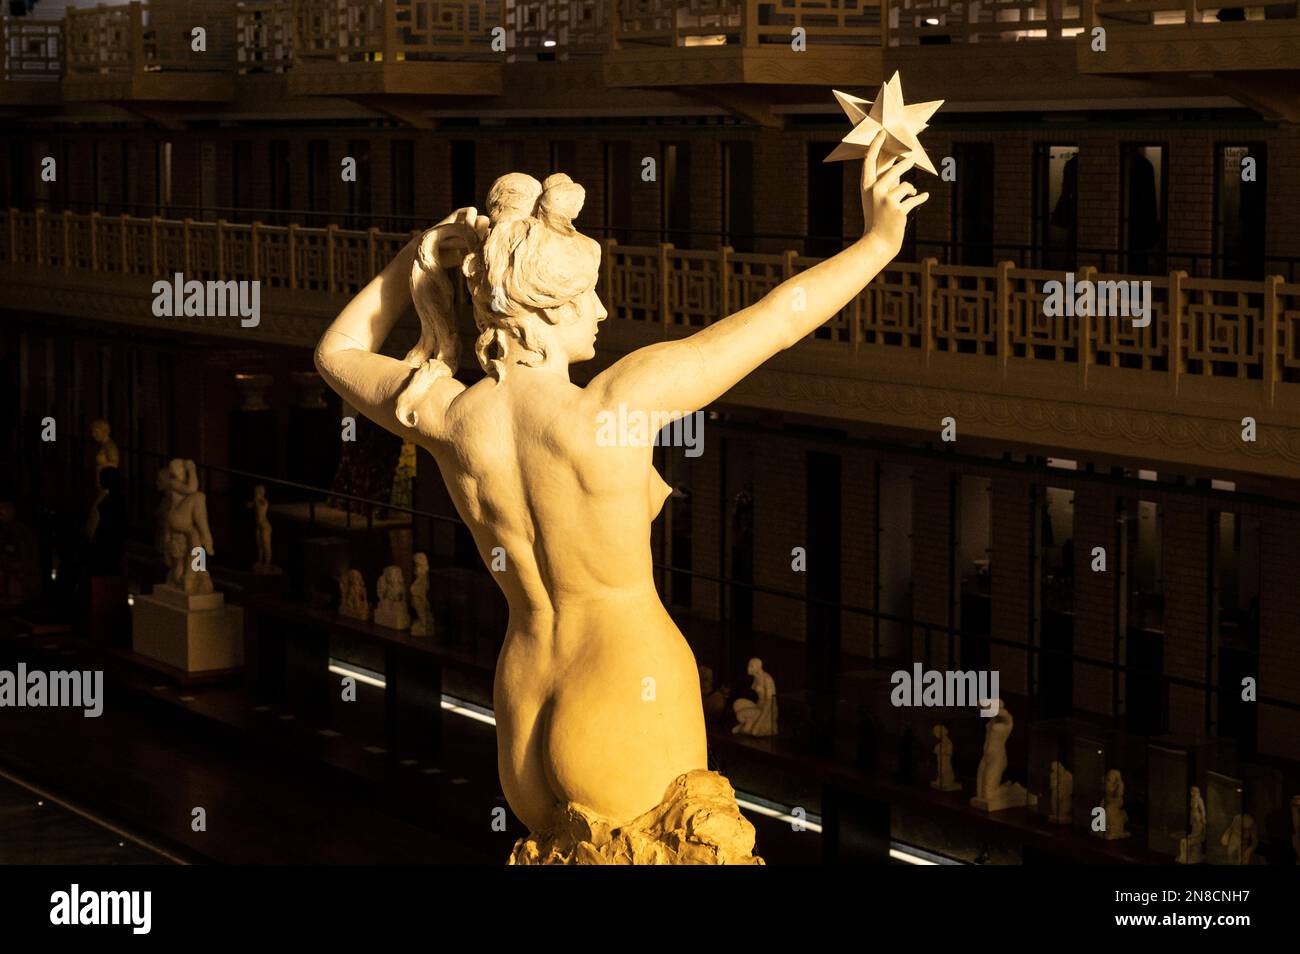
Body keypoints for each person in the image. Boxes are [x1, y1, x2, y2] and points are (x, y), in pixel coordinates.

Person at [314, 132, 927, 862]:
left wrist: (420, 253)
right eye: (583, 298)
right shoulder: (616, 404)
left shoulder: (450, 417)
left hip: (521, 692)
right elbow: (780, 318)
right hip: (622, 683)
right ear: (540, 316)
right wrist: (880, 241)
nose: (601, 312)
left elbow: (336, 353)